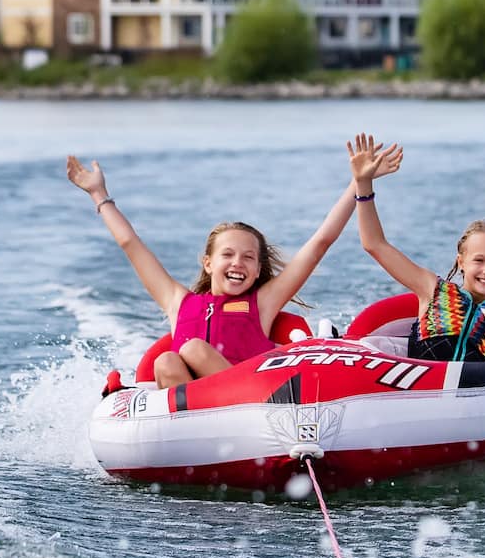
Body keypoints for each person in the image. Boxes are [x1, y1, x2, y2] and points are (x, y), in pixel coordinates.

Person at [66, 136, 402, 388]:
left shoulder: (263, 303)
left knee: (195, 349)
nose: (237, 262)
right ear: (208, 263)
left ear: (258, 270)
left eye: (248, 257)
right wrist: (99, 195)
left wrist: (359, 183)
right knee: (167, 360)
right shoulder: (178, 302)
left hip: (253, 401)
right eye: (227, 254)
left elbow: (319, 243)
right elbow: (130, 244)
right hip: (196, 415)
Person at [347, 133, 485, 362]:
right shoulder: (431, 290)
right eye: (479, 260)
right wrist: (363, 183)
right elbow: (375, 244)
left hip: (474, 391)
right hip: (415, 388)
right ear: (461, 262)